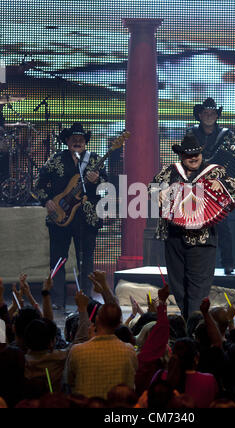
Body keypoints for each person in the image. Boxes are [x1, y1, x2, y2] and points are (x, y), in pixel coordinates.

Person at [149, 134, 235, 320]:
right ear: (181, 155)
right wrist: (158, 192)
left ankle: (194, 326)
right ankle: (187, 323)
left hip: (203, 239)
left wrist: (220, 184)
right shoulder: (170, 171)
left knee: (198, 288)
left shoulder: (214, 171)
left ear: (201, 153)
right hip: (174, 237)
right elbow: (151, 187)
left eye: (196, 153)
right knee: (178, 286)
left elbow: (233, 185)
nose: (193, 157)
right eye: (188, 154)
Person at [34, 122, 108, 309]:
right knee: (58, 259)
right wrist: (47, 201)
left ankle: (86, 299)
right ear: (67, 141)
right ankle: (57, 300)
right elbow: (38, 184)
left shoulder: (95, 161)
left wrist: (98, 180)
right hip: (59, 217)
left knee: (86, 259)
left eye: (80, 139)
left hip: (86, 217)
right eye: (73, 138)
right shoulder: (56, 159)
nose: (77, 141)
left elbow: (107, 188)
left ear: (85, 141)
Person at [188, 98, 235, 274]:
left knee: (223, 227)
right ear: (199, 115)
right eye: (206, 113)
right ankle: (194, 265)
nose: (209, 116)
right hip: (196, 186)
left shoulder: (227, 135)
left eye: (212, 113)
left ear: (217, 116)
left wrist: (226, 178)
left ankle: (228, 263)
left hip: (218, 187)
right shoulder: (191, 133)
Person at [66, 302, 138, 399]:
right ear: (118, 324)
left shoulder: (77, 351)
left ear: (97, 319)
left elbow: (69, 381)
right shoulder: (129, 351)